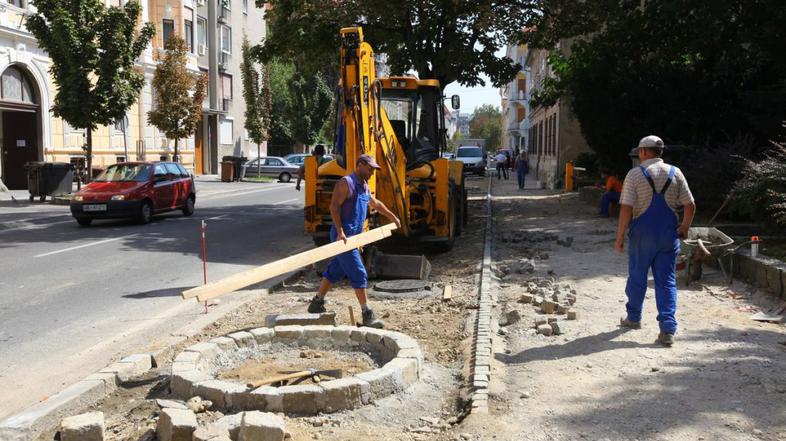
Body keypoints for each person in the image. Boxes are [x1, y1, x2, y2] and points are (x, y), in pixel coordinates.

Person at [615, 135, 695, 347]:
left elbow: (626, 208)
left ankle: (633, 318)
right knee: (667, 281)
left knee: (637, 277)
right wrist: (685, 227)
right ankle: (667, 329)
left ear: (642, 152)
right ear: (660, 152)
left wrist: (620, 236)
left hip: (642, 236)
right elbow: (690, 204)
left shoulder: (634, 174)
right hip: (668, 236)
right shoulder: (675, 172)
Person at [307, 154, 401, 328]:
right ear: (359, 165)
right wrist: (341, 232)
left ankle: (317, 302)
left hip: (354, 238)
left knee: (335, 270)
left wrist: (393, 216)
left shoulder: (364, 186)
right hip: (343, 237)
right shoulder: (346, 183)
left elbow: (376, 204)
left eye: (374, 169)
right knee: (359, 273)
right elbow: (334, 207)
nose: (372, 172)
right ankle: (367, 314)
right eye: (370, 168)